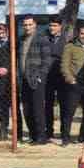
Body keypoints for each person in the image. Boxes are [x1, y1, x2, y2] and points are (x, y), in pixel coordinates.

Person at [17, 16, 52, 145]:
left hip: (36, 78)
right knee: (26, 109)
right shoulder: (21, 39)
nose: (27, 27)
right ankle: (33, 135)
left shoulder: (42, 38)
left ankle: (41, 137)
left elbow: (47, 60)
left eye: (29, 24)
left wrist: (40, 76)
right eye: (25, 25)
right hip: (24, 79)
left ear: (35, 25)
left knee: (38, 109)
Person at [59, 23, 84, 144]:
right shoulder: (70, 46)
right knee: (69, 112)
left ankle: (83, 137)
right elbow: (64, 65)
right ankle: (65, 137)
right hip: (75, 83)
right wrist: (70, 79)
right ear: (78, 33)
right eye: (82, 33)